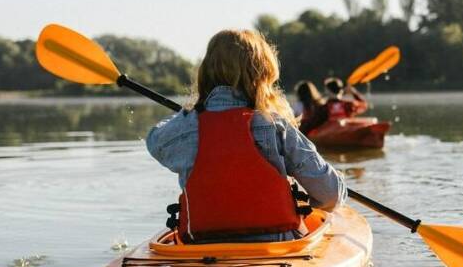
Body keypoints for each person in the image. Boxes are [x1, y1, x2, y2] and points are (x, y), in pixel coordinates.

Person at [146, 30, 346, 244]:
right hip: (275, 244)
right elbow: (330, 195)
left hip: (200, 244)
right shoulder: (275, 126)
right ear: (262, 75)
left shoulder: (183, 127)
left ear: (205, 73)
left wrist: (190, 113)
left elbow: (154, 139)